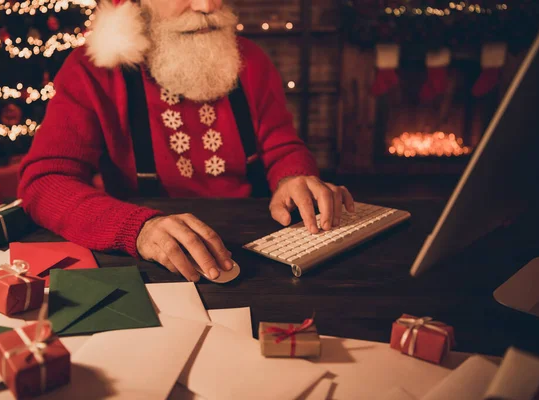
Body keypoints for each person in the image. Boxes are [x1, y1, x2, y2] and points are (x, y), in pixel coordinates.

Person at [18, 0, 355, 282]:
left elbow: (281, 145)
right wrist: (137, 229)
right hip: (147, 262)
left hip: (258, 251)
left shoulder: (250, 60)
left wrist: (292, 177)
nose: (207, 6)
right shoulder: (92, 71)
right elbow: (44, 182)